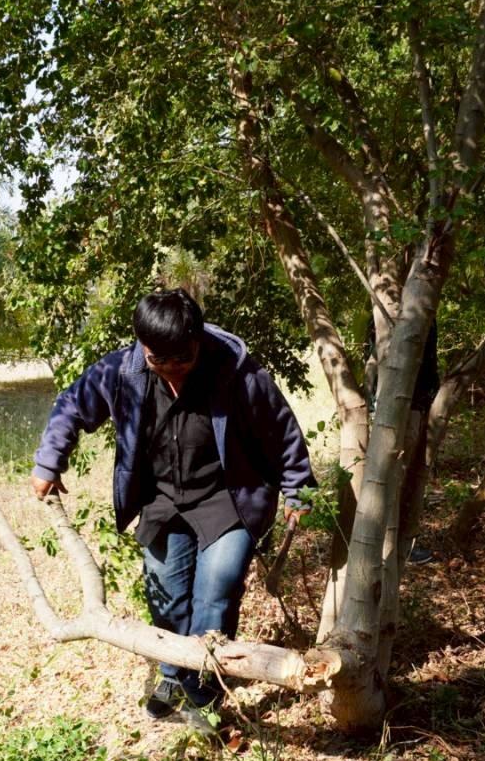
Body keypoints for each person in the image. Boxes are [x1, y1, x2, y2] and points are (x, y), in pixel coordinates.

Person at [30, 289, 315, 727]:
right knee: (166, 593)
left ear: (197, 342)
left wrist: (298, 487)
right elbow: (72, 404)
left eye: (182, 361)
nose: (173, 373)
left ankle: (205, 693)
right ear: (144, 348)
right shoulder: (123, 371)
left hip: (228, 497)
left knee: (216, 592)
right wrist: (50, 460)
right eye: (159, 362)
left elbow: (281, 429)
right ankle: (171, 672)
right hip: (161, 499)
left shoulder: (238, 373)